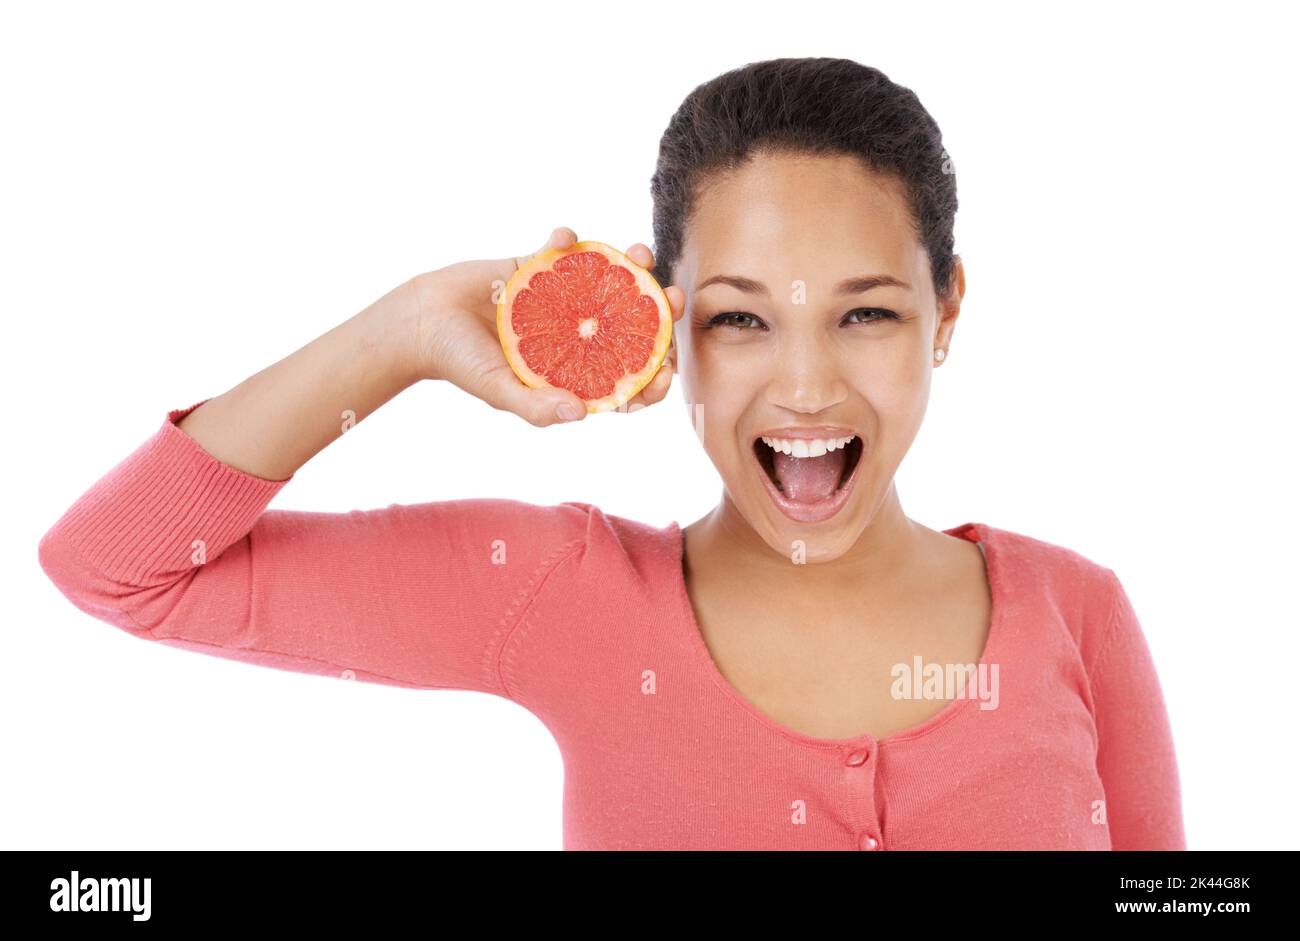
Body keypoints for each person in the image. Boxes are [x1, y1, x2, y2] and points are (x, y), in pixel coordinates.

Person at [37, 56, 1185, 850]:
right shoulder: (564, 593)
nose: (803, 384)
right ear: (665, 324)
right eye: (740, 317)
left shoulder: (1075, 611)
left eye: (866, 313)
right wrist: (401, 331)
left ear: (946, 311)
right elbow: (122, 566)